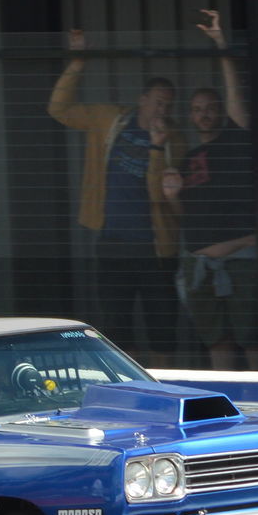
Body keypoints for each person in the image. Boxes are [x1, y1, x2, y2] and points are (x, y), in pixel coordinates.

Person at [48, 28, 183, 366]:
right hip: (112, 239)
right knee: (116, 325)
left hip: (155, 246)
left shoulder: (174, 140)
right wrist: (77, 63)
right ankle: (130, 391)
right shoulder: (112, 120)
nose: (161, 110)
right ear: (142, 99)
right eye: (157, 102)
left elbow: (157, 195)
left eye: (168, 105)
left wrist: (155, 146)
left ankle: (164, 387)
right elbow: (59, 109)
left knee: (161, 326)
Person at [165, 8, 257, 370]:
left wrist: (221, 45)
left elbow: (235, 91)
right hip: (199, 264)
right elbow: (181, 216)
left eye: (210, 108)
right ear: (190, 115)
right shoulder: (188, 158)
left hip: (240, 261)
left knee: (252, 339)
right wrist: (172, 196)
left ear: (220, 112)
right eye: (197, 109)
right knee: (217, 344)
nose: (203, 114)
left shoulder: (235, 140)